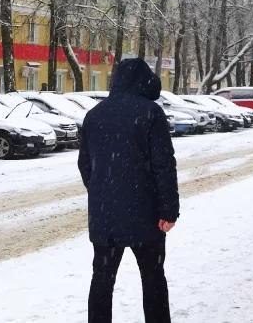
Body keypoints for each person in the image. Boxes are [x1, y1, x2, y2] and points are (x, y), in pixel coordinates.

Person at [78, 58, 179, 323]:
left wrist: (103, 192)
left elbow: (85, 165)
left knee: (102, 280)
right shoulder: (150, 113)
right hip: (146, 216)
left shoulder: (94, 115)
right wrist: (169, 210)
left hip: (105, 216)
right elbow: (164, 165)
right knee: (153, 278)